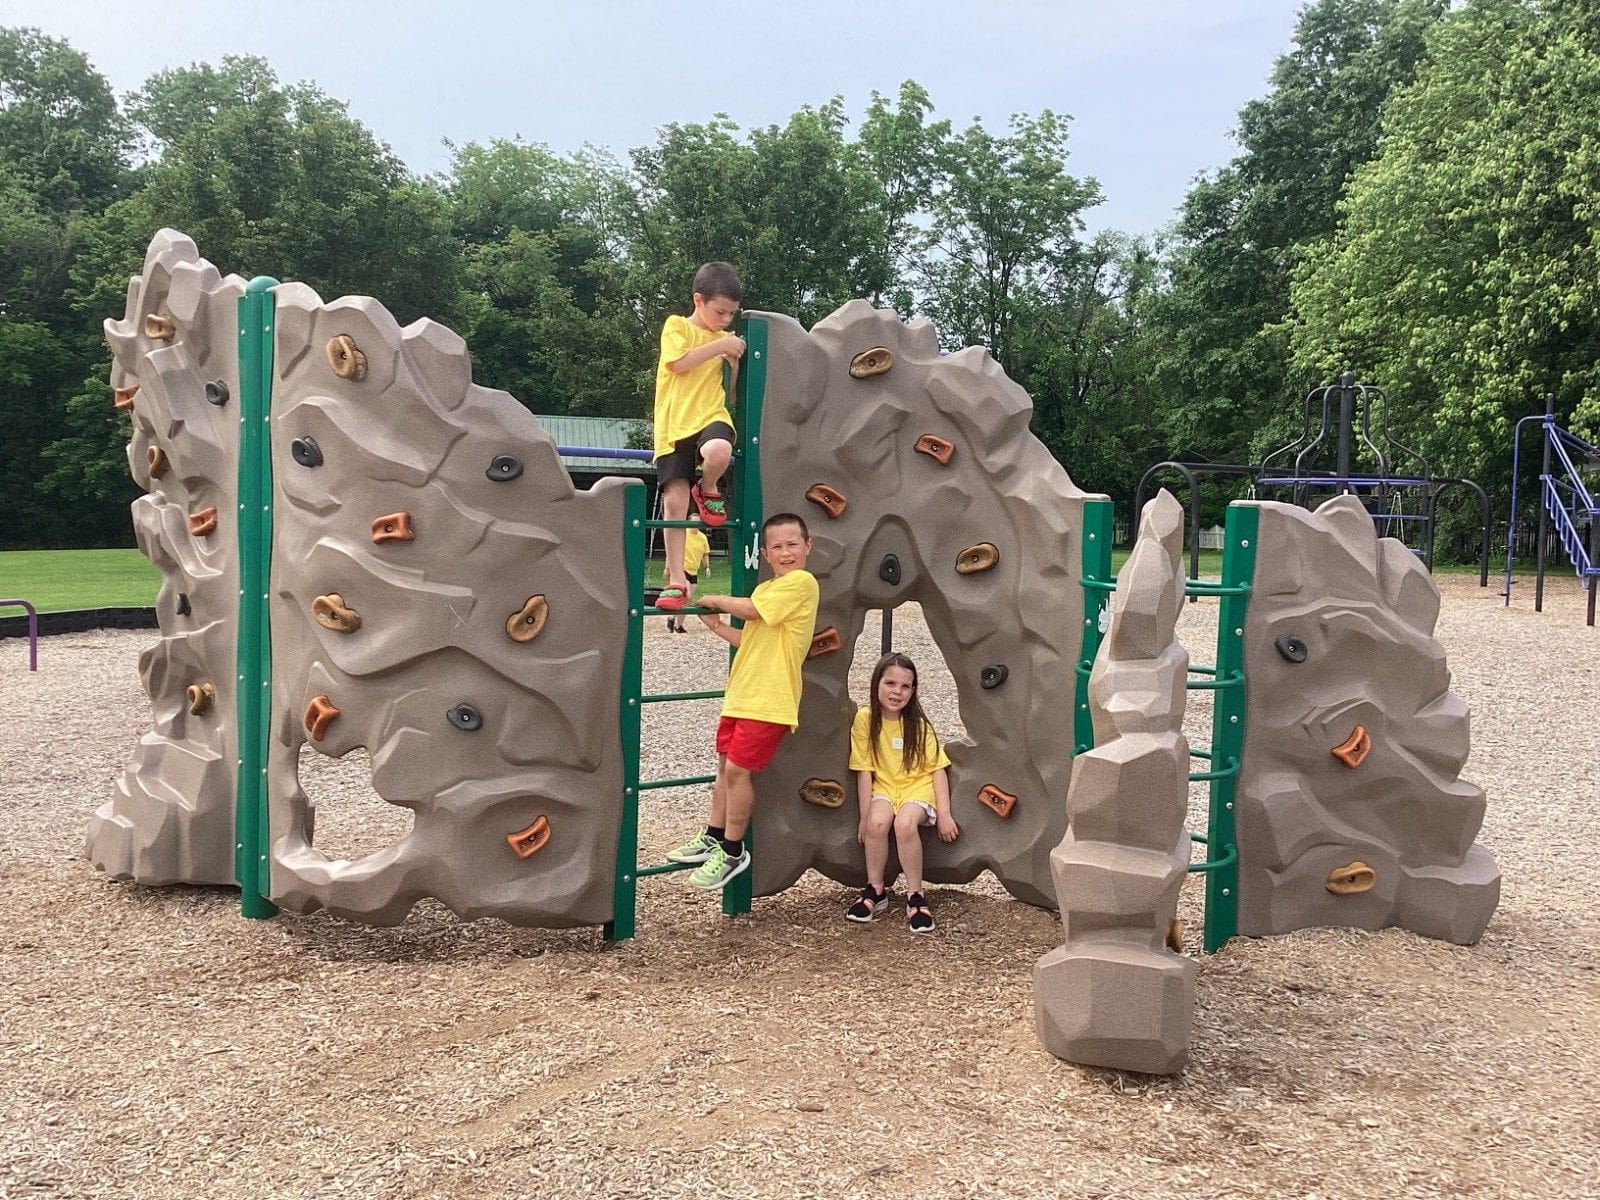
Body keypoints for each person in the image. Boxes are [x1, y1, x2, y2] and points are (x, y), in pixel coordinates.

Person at [666, 513, 819, 890]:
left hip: (770, 699)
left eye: (792, 545)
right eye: (777, 548)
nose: (785, 553)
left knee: (736, 772)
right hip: (743, 695)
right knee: (723, 769)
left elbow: (750, 611)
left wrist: (715, 598)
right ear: (766, 553)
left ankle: (733, 850)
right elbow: (752, 637)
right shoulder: (769, 589)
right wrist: (719, 626)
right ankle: (713, 836)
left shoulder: (802, 582)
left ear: (807, 547)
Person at [652, 262, 744, 613]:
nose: (725, 320)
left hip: (710, 416)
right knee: (675, 502)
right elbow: (678, 363)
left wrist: (733, 367)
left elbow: (731, 395)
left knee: (719, 450)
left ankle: (707, 487)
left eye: (731, 314)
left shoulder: (725, 340)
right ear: (698, 300)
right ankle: (676, 580)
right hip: (675, 423)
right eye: (720, 312)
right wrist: (721, 346)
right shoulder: (677, 326)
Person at [845, 652, 959, 933]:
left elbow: (936, 770)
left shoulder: (918, 726)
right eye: (890, 683)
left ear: (913, 691)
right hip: (884, 785)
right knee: (877, 823)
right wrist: (863, 817)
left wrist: (944, 814)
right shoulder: (865, 719)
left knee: (905, 823)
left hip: (915, 786)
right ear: (877, 684)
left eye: (905, 686)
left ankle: (916, 896)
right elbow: (864, 770)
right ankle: (876, 890)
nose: (897, 692)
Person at [666, 527, 711, 633]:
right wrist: (667, 567)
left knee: (687, 600)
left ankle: (678, 624)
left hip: (694, 570)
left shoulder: (702, 537)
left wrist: (707, 567)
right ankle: (673, 619)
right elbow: (672, 550)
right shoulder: (683, 534)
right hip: (682, 569)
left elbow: (705, 554)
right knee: (686, 595)